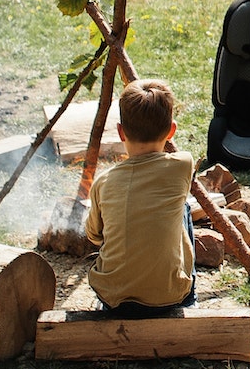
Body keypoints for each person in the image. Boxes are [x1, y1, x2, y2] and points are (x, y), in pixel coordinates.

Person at [83, 78, 197, 312]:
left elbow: (94, 236)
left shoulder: (103, 182)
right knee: (182, 208)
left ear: (121, 132)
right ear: (171, 130)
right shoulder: (183, 165)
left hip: (115, 299)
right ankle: (188, 301)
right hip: (169, 296)